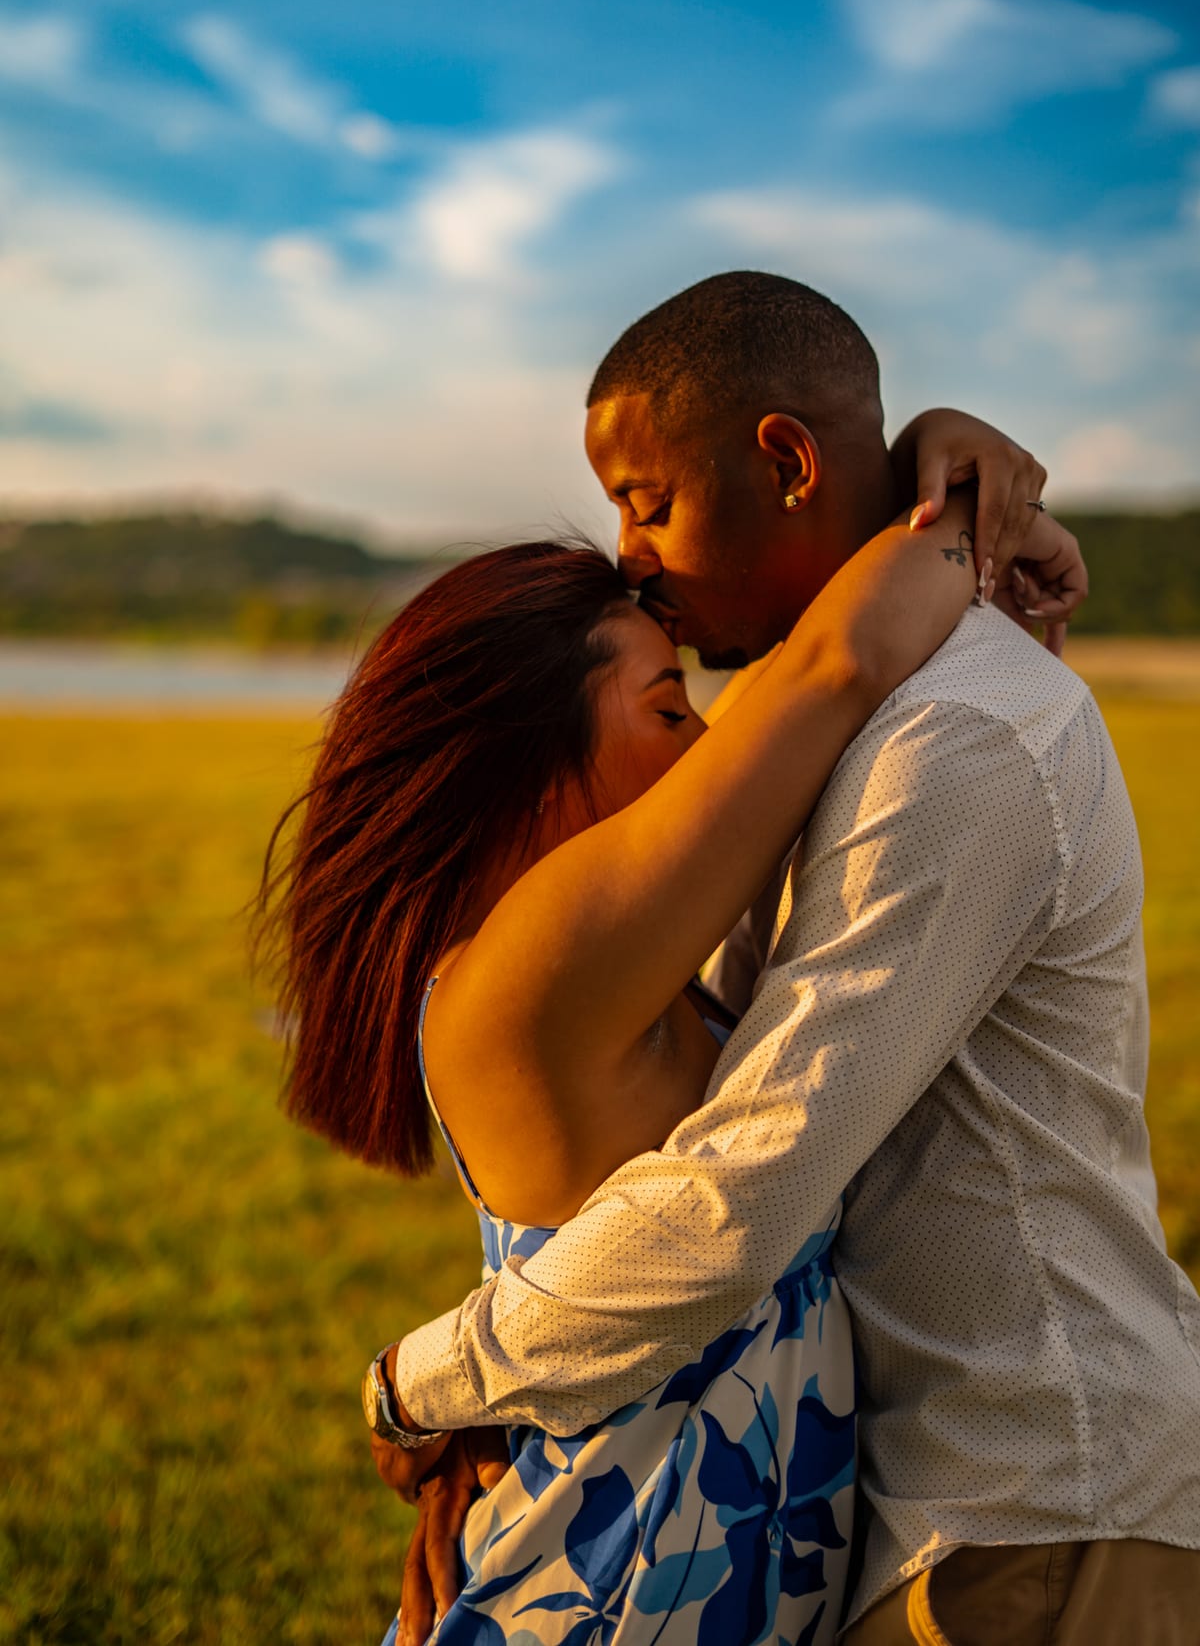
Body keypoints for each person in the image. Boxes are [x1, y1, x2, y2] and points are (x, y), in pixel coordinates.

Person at [380, 273, 1200, 1645]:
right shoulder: (846, 721)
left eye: (646, 498)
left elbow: (744, 1188)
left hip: (1035, 1510)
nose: (630, 551)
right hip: (932, 1509)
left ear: (785, 460)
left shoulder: (957, 739)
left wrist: (436, 1378)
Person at [263, 413, 1065, 1645]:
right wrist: (957, 496)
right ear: (532, 763)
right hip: (604, 1588)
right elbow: (827, 669)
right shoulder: (522, 973)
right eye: (665, 705)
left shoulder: (632, 978)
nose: (708, 737)